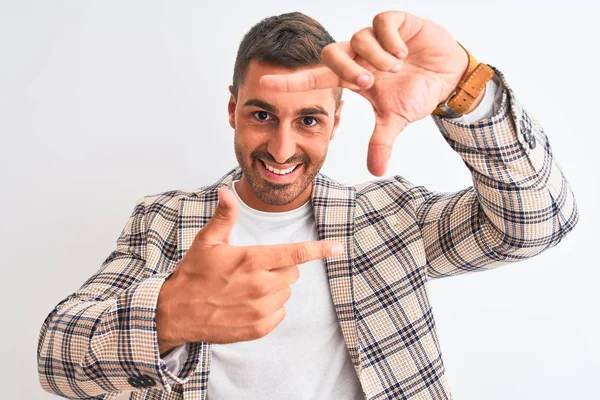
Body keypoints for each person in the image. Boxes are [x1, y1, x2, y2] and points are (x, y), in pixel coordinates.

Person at [37, 10, 578, 400]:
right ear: (232, 109)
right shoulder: (166, 219)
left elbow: (537, 223)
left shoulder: (388, 218)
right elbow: (55, 359)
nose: (281, 148)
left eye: (309, 120)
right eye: (262, 115)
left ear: (337, 122)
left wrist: (466, 89)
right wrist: (167, 319)